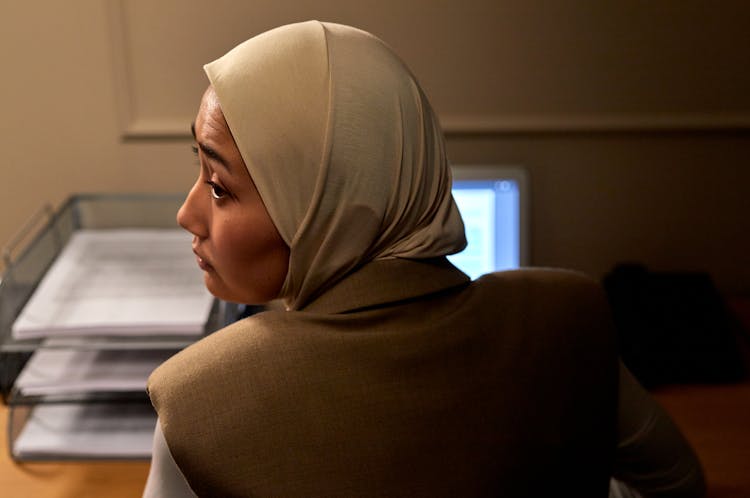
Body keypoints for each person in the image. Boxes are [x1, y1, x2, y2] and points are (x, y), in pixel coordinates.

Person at [143, 21, 706, 497]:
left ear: (319, 205)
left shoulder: (198, 406)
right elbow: (677, 484)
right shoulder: (568, 318)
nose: (187, 214)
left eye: (218, 186)